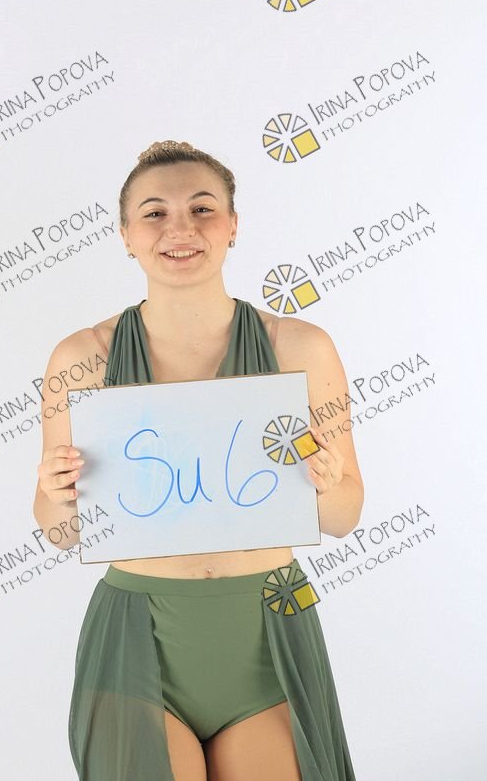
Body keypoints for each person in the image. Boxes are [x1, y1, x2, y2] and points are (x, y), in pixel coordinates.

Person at [34, 139, 364, 781]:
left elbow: (345, 515)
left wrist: (325, 483)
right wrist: (56, 494)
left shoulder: (301, 347)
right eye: (155, 213)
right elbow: (60, 532)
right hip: (137, 636)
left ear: (233, 225)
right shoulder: (82, 358)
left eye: (203, 208)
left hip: (269, 627)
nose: (180, 228)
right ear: (126, 235)